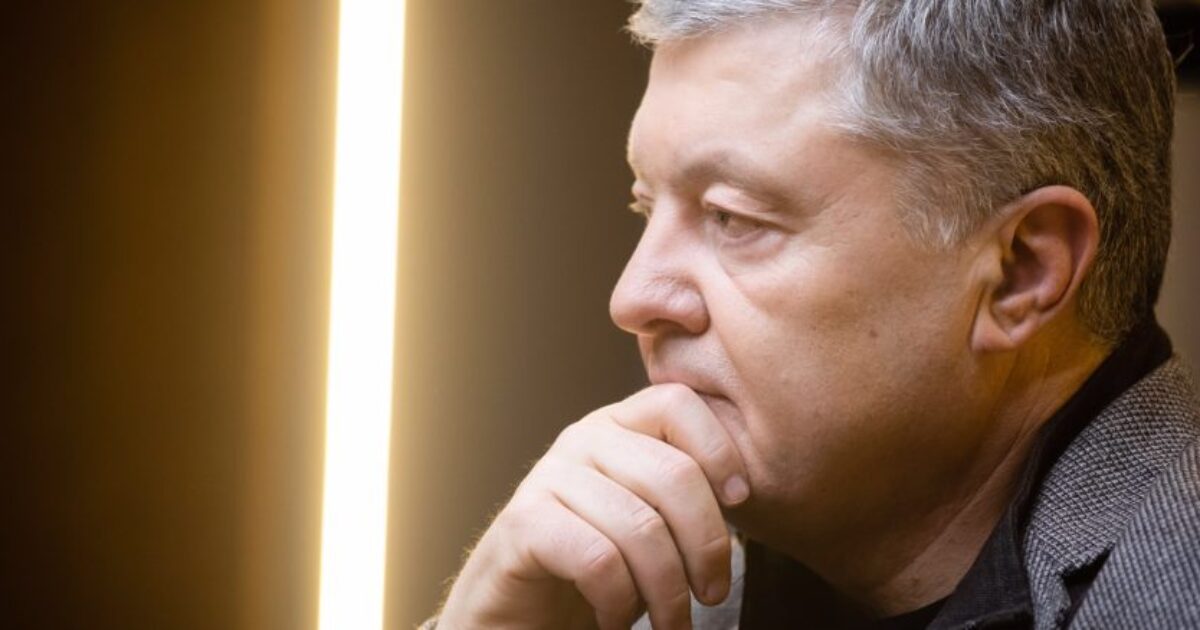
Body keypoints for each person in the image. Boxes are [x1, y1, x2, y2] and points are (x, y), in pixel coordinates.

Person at [431, 1, 1199, 628]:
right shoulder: (621, 586)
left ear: (1020, 274)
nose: (632, 298)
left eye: (733, 218)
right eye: (645, 205)